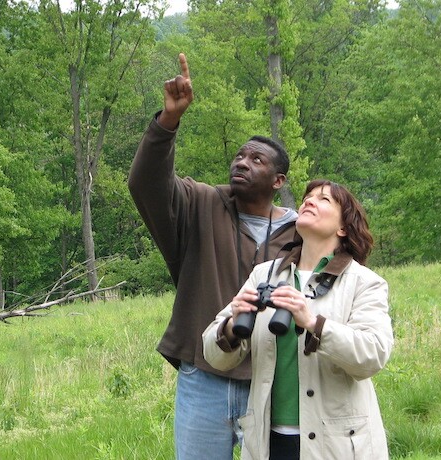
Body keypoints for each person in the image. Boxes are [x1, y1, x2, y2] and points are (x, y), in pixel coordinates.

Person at [128, 53, 298, 459]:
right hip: (205, 376)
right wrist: (168, 121)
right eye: (239, 155)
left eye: (256, 159)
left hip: (272, 381)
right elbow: (146, 184)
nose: (242, 161)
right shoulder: (202, 203)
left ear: (278, 181)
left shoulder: (300, 231)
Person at [202, 179, 393, 459]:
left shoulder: (364, 283)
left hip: (336, 445)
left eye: (324, 199)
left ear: (343, 227)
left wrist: (314, 323)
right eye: (308, 197)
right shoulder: (264, 275)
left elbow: (373, 354)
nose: (309, 201)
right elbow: (213, 354)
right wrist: (232, 326)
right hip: (269, 442)